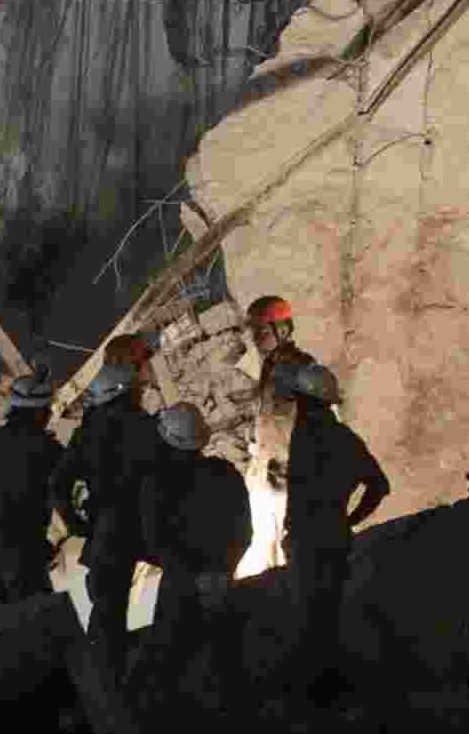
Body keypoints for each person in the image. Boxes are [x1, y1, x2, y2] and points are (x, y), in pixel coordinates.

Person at [275, 361, 389, 706]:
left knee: (306, 617)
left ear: (306, 401)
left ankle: (314, 696)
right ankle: (334, 688)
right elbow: (379, 485)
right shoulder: (344, 438)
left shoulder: (304, 434)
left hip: (305, 540)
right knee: (332, 613)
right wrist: (351, 520)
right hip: (335, 537)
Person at [127, 402, 252, 705]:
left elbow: (154, 541)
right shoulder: (226, 474)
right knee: (224, 660)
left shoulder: (157, 483)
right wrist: (222, 571)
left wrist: (185, 573)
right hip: (221, 581)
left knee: (168, 662)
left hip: (180, 585)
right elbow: (244, 533)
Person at [49, 361, 161, 687]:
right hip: (150, 525)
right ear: (124, 392)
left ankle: (106, 685)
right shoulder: (146, 426)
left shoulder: (89, 431)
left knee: (106, 613)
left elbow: (59, 482)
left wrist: (76, 524)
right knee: (177, 593)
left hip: (109, 530)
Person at [0, 364, 63, 612]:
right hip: (26, 562)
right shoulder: (49, 451)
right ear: (39, 413)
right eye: (47, 410)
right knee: (36, 628)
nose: (49, 416)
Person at [246, 295, 315, 567]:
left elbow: (319, 421)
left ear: (282, 329)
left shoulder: (302, 367)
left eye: (261, 331)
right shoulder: (269, 368)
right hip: (270, 472)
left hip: (292, 475)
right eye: (254, 332)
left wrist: (298, 467)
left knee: (296, 552)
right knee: (271, 552)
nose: (255, 339)